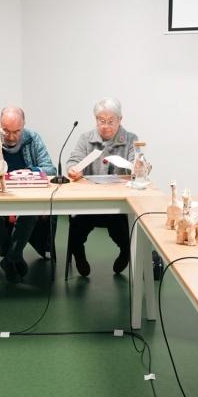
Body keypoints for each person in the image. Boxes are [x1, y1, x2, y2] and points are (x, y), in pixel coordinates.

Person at [0, 106, 55, 282]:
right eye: (6, 131)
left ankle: (9, 258)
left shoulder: (33, 138)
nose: (12, 137)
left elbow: (50, 168)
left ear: (24, 126)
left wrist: (29, 171)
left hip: (26, 196)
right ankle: (14, 256)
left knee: (30, 214)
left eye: (17, 131)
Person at [64, 98, 138, 276]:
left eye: (110, 121)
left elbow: (136, 165)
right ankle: (79, 255)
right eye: (101, 121)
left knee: (121, 230)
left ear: (120, 119)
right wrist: (73, 169)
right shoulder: (86, 138)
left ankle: (126, 253)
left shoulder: (130, 139)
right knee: (76, 229)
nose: (105, 126)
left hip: (116, 205)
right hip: (90, 202)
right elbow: (73, 161)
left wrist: (136, 168)